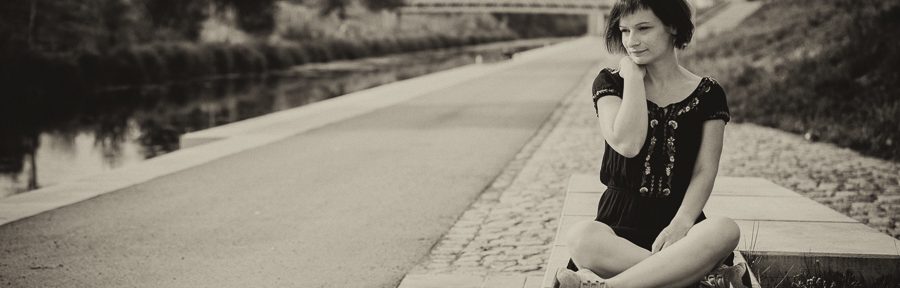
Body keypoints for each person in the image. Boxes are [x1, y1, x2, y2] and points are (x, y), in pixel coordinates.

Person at [553, 0, 750, 287]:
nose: (631, 41)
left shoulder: (708, 93)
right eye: (625, 31)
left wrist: (681, 224)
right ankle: (697, 279)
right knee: (581, 237)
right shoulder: (610, 83)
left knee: (725, 229)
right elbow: (628, 143)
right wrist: (633, 77)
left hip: (682, 226)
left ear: (673, 27)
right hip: (617, 228)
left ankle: (610, 285)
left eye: (643, 28)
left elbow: (705, 170)